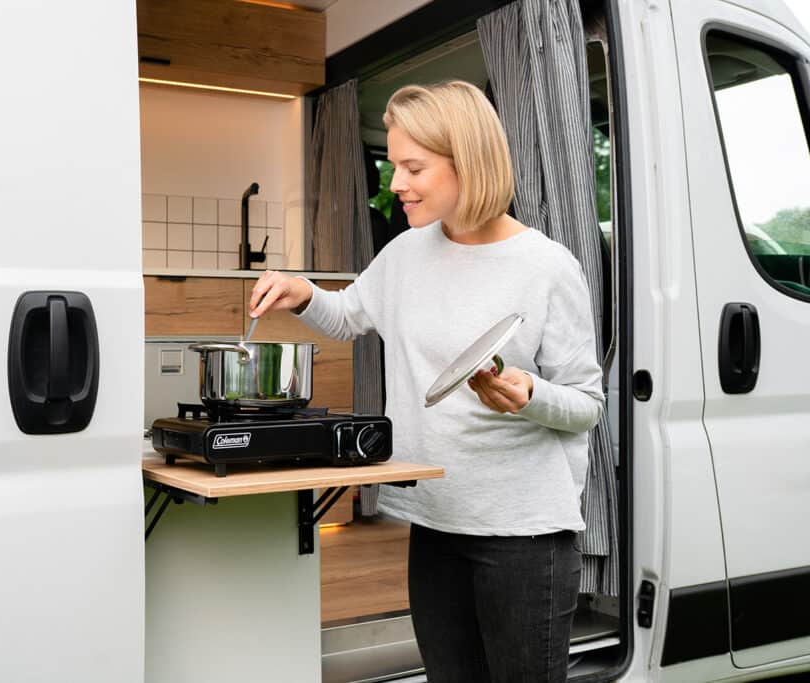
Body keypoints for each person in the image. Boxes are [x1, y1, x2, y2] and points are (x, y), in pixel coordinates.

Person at [249, 80, 604, 682]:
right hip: (434, 523)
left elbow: (588, 404)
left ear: (468, 161)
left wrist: (530, 395)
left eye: (413, 167)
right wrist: (303, 292)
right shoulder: (407, 253)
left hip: (523, 537)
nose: (395, 184)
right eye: (393, 165)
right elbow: (349, 314)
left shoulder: (546, 266)